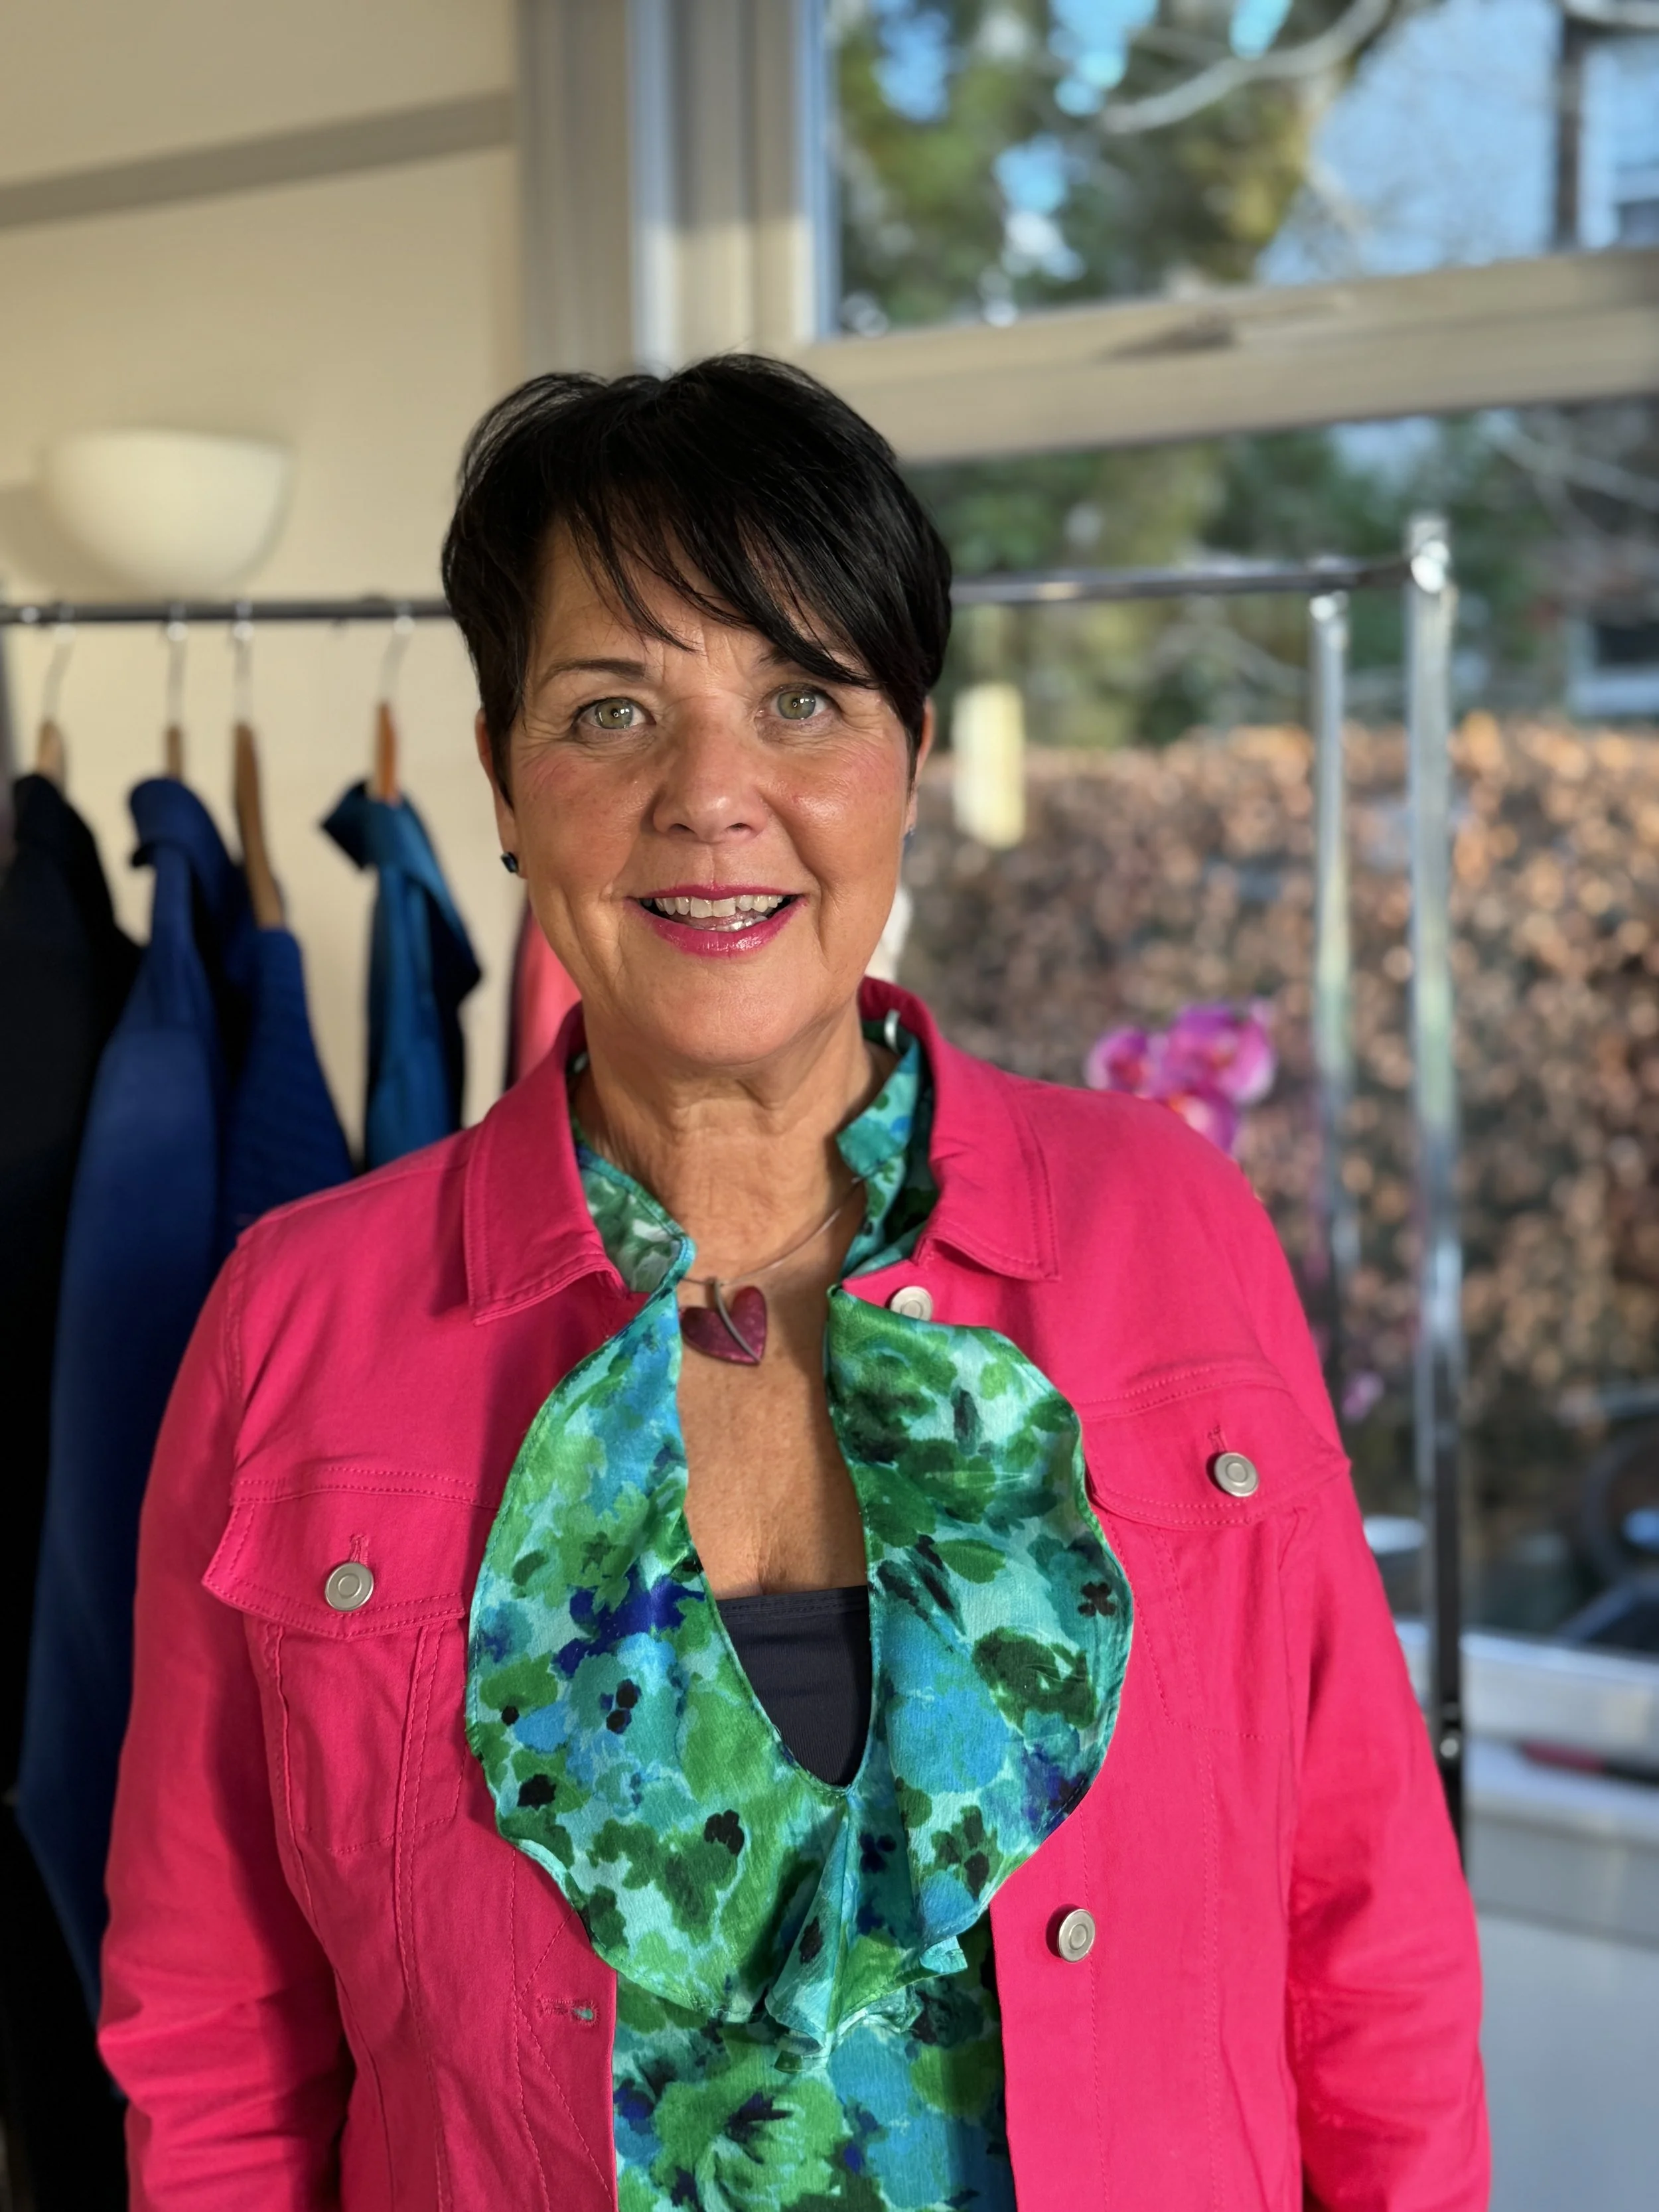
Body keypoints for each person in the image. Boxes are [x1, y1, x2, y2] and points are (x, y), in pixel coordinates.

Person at [100, 358, 1487, 2211]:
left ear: (905, 753)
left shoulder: (1171, 1225)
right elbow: (217, 2030)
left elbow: (1364, 1925)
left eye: (800, 697)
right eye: (611, 710)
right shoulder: (298, 1319)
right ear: (507, 785)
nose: (712, 797)